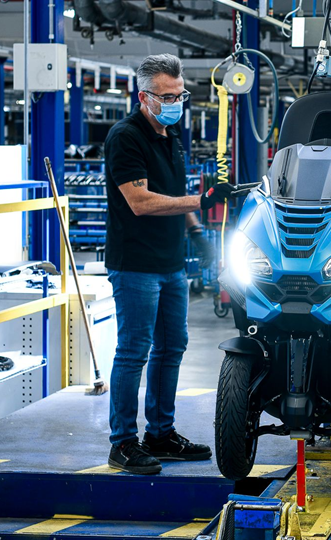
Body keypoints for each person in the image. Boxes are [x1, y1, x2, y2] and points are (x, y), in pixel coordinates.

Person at [104, 54, 237, 475]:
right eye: (166, 96)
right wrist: (202, 201)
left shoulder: (170, 136)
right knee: (133, 352)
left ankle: (160, 434)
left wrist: (197, 230)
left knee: (171, 348)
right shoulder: (126, 137)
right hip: (136, 264)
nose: (175, 101)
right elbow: (140, 202)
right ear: (143, 97)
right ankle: (123, 442)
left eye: (180, 94)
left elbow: (172, 193)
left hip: (171, 263)